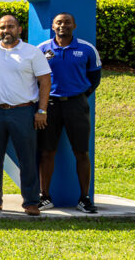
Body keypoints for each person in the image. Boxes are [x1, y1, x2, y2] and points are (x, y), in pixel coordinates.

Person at [0, 14, 51, 216]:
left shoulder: (32, 52)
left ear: (19, 29)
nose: (5, 30)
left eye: (10, 26)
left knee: (27, 157)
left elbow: (45, 81)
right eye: (2, 27)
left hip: (24, 111)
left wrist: (42, 110)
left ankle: (31, 202)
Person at [37, 12, 102, 213]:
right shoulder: (42, 49)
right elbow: (34, 78)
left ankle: (84, 198)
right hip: (50, 106)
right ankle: (45, 196)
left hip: (76, 105)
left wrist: (80, 96)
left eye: (67, 22)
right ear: (53, 26)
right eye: (59, 22)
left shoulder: (87, 49)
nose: (62, 25)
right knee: (47, 152)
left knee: (81, 152)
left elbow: (95, 78)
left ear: (74, 25)